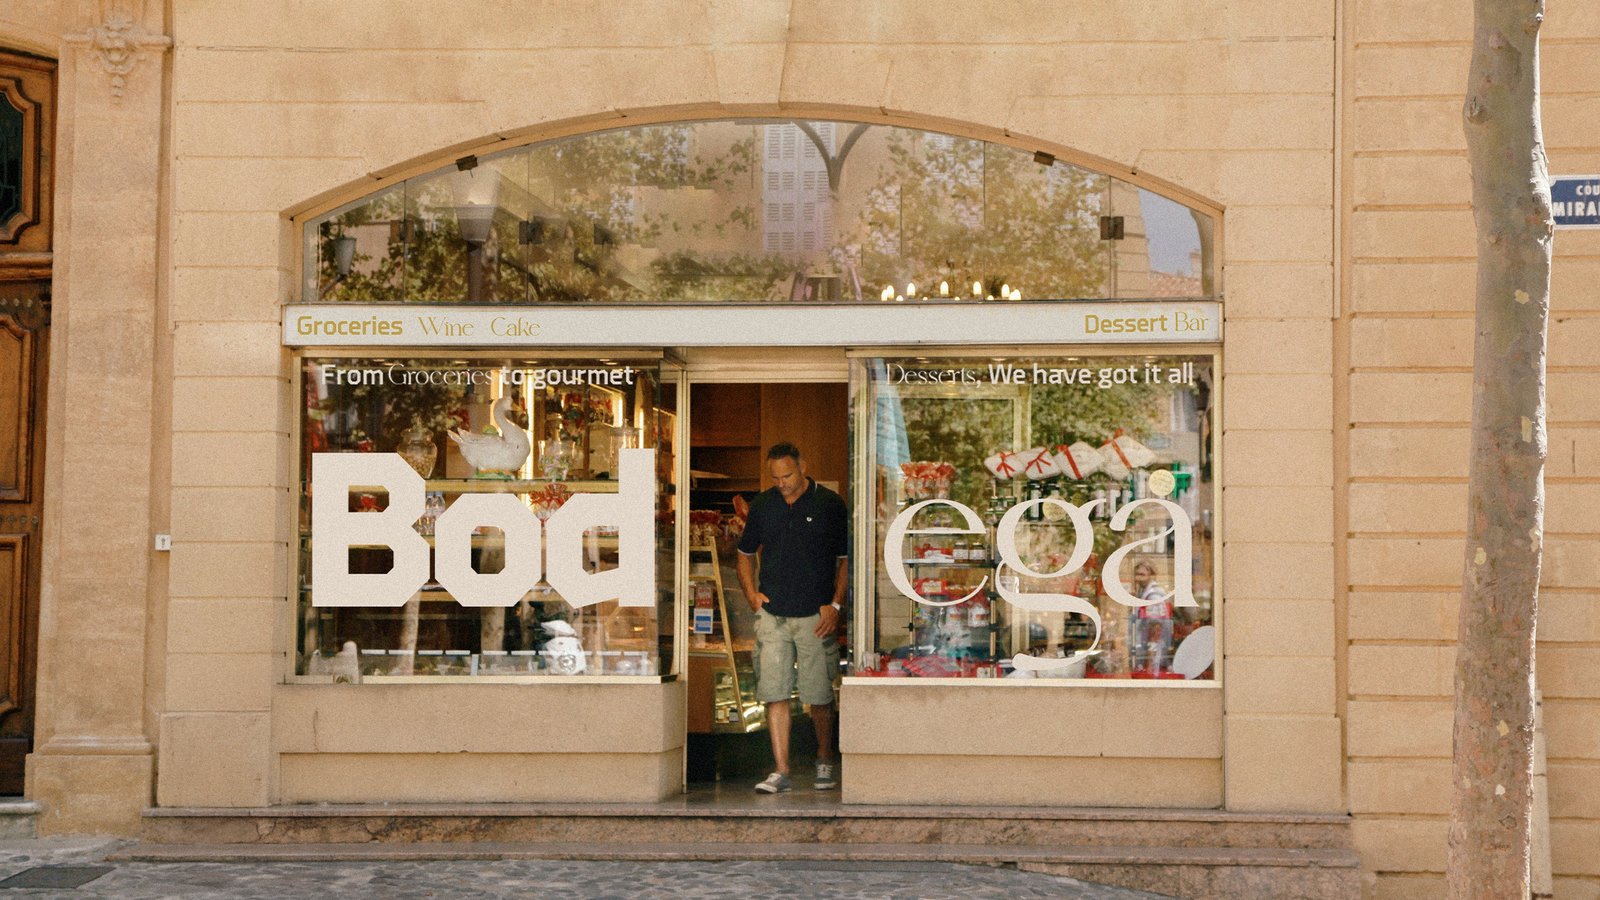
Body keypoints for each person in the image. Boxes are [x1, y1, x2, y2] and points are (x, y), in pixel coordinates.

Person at [736, 442, 848, 793]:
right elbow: (744, 554)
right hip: (773, 615)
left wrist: (836, 604)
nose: (782, 482)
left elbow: (846, 560)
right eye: (776, 477)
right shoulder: (764, 505)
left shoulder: (829, 503)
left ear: (803, 467)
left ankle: (824, 759)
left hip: (816, 614)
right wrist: (752, 596)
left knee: (818, 696)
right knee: (775, 692)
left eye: (787, 475)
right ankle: (781, 770)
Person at [1128, 560, 1174, 675]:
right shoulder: (1144, 592)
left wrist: (1150, 661)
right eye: (1137, 575)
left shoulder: (1154, 595)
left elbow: (1155, 629)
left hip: (1150, 653)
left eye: (1142, 575)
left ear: (1151, 575)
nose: (1138, 578)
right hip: (1143, 649)